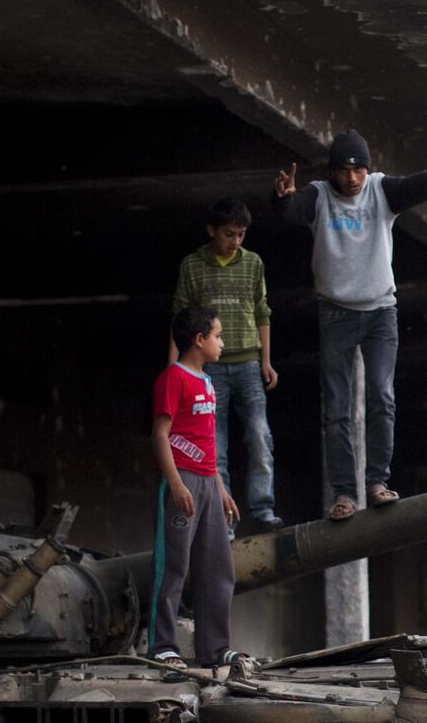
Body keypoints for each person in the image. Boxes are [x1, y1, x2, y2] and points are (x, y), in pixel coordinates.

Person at [271, 129, 427, 520]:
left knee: (381, 396)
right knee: (336, 408)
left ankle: (376, 483)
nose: (352, 179)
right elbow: (294, 209)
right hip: (335, 313)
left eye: (358, 170)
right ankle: (344, 493)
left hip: (380, 312)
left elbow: (411, 188)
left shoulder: (380, 190)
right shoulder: (320, 195)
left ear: (367, 170)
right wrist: (283, 198)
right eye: (343, 171)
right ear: (333, 172)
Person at [172, 198, 283, 532]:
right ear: (211, 231)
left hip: (248, 361)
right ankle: (225, 521)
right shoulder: (192, 265)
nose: (235, 241)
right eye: (229, 234)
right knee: (214, 447)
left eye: (241, 234)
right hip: (208, 371)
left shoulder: (254, 263)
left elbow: (262, 311)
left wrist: (266, 360)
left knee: (260, 436)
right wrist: (175, 370)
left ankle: (262, 510)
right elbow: (179, 318)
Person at [148, 306, 242, 669]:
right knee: (172, 567)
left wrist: (220, 488)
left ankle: (215, 649)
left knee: (219, 570)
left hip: (208, 482)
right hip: (182, 481)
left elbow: (206, 443)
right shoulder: (173, 378)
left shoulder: (206, 382)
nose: (222, 342)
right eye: (217, 335)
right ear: (199, 340)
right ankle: (163, 647)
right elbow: (160, 436)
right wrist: (175, 484)